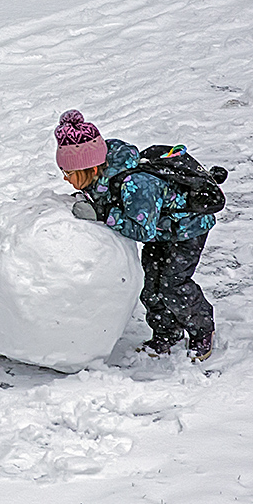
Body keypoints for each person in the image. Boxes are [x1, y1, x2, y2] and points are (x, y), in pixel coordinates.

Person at [54, 109, 215, 361]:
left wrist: (102, 214)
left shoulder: (136, 184)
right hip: (162, 232)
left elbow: (143, 230)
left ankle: (202, 330)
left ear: (89, 168)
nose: (66, 179)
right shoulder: (100, 177)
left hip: (186, 230)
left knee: (173, 284)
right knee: (150, 286)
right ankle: (166, 334)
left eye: (69, 174)